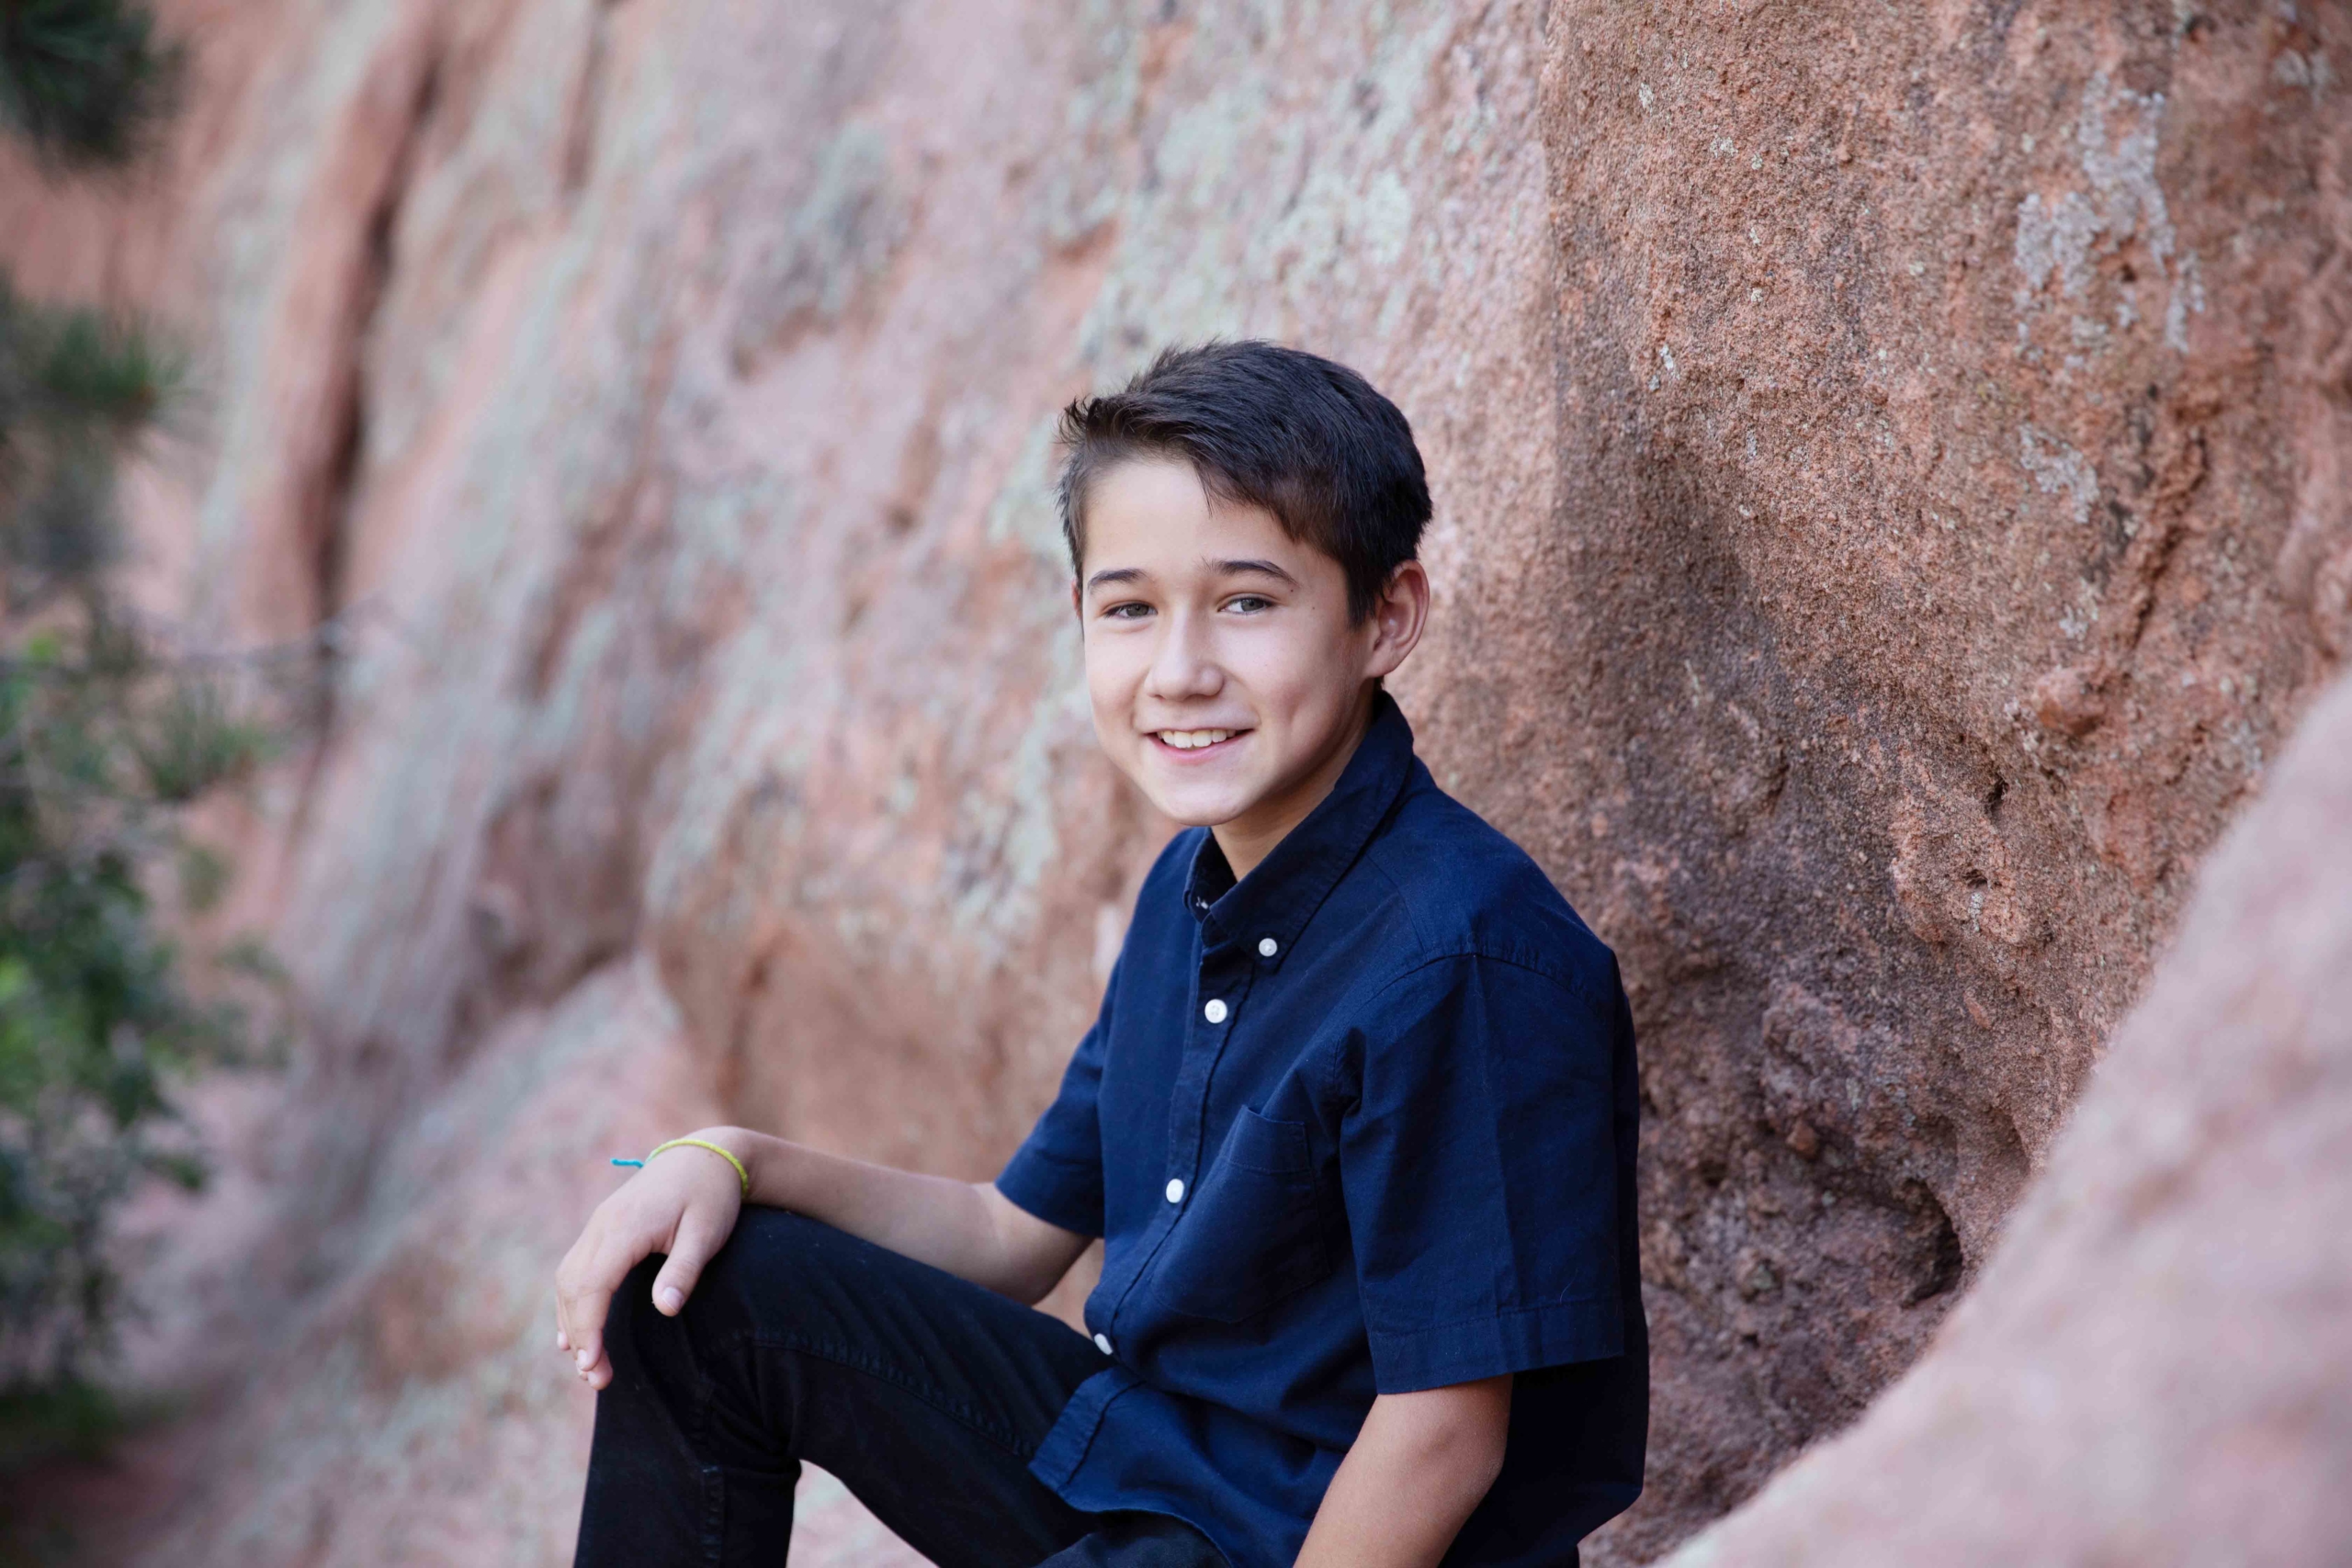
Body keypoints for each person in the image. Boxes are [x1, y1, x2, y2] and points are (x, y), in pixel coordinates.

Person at [554, 341, 1646, 1568]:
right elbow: (1005, 1233)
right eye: (1130, 608)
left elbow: (1444, 1434)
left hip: (1297, 1542)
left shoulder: (1464, 951)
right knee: (697, 1294)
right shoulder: (1194, 890)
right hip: (1145, 1471)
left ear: (1383, 617)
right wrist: (731, 1161)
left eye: (1247, 601)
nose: (1179, 672)